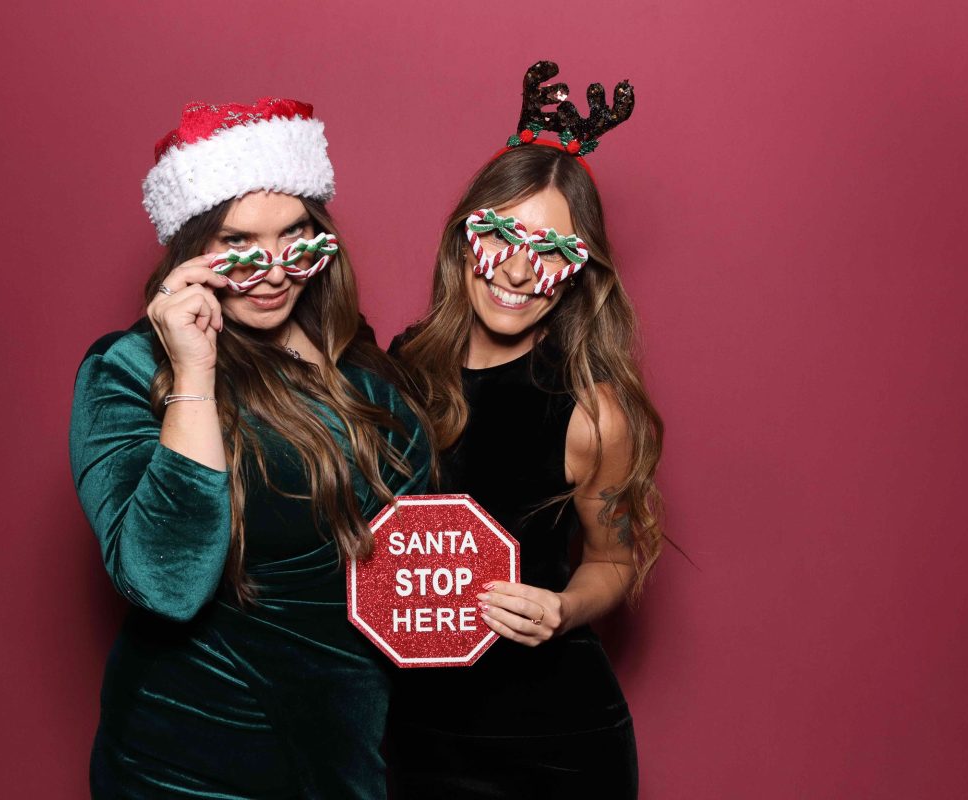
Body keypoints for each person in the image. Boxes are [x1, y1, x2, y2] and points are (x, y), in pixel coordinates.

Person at [70, 97, 431, 799]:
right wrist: (195, 371)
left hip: (347, 743)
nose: (273, 270)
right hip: (194, 756)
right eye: (238, 245)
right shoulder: (128, 370)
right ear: (189, 250)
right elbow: (166, 583)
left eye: (296, 237)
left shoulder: (356, 358)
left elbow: (406, 541)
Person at [387, 62, 664, 798]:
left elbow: (615, 559)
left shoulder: (593, 411)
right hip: (406, 733)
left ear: (579, 272)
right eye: (501, 236)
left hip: (552, 747)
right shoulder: (401, 368)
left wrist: (563, 607)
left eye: (552, 251)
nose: (517, 271)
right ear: (463, 238)